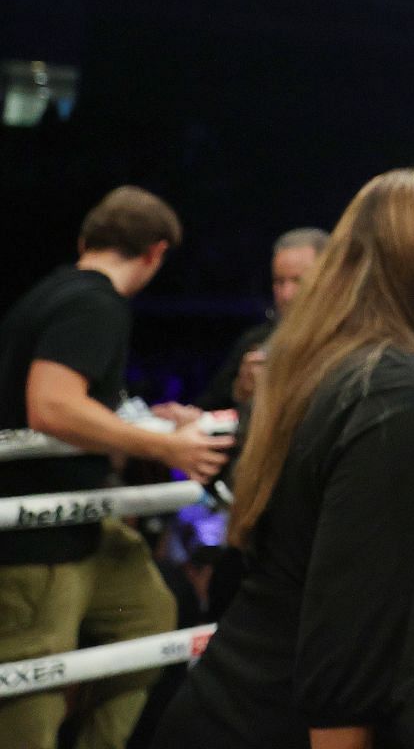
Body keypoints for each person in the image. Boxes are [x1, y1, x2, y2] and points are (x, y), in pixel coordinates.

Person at [153, 168, 414, 749]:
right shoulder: (405, 390)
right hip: (293, 723)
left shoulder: (342, 368)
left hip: (241, 702)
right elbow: (350, 632)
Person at [0, 186, 229, 749]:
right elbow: (51, 405)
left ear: (86, 240)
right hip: (38, 542)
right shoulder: (93, 303)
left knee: (147, 611)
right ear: (155, 253)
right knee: (31, 695)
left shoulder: (55, 292)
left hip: (78, 531)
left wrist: (149, 422)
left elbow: (78, 408)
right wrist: (166, 448)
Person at [200, 226, 330, 413]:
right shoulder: (256, 341)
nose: (286, 294)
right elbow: (209, 407)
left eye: (298, 281)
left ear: (328, 277)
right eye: (279, 281)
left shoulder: (350, 341)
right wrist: (241, 391)